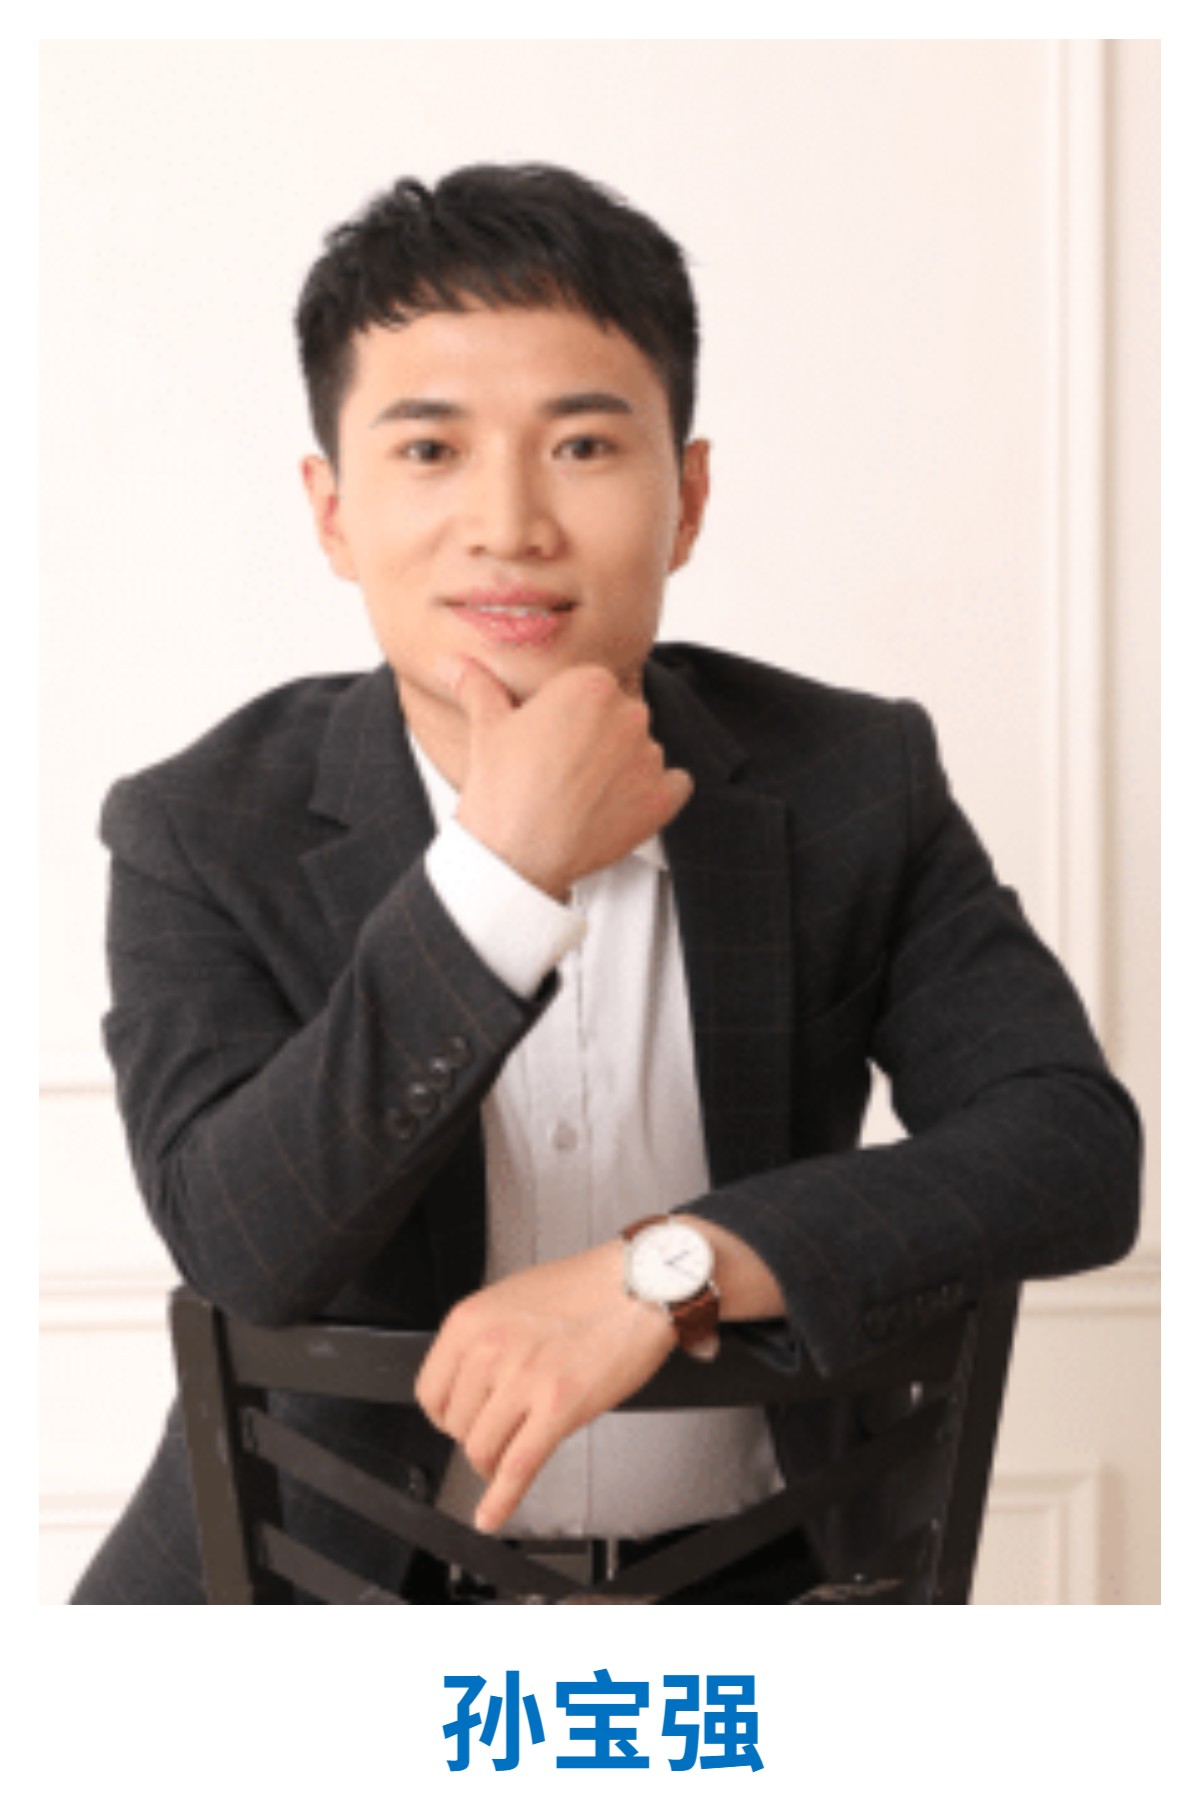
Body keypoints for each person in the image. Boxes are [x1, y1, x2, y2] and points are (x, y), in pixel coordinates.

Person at [71, 163, 1141, 1604]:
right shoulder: (201, 827)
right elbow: (244, 1245)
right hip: (314, 1606)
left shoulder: (849, 780)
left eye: (582, 445)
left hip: (764, 1602)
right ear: (331, 514)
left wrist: (672, 1268)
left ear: (686, 498)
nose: (510, 524)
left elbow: (1069, 1150)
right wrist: (501, 877)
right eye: (431, 450)